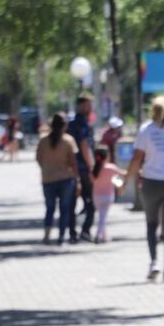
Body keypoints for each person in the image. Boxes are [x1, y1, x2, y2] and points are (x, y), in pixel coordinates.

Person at [123, 96, 164, 282]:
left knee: (151, 224)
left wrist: (125, 182)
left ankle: (154, 263)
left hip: (151, 181)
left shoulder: (146, 130)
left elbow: (136, 159)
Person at [35, 113, 80, 246]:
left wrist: (47, 168)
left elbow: (38, 158)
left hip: (48, 179)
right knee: (64, 209)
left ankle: (47, 235)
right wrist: (78, 180)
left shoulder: (43, 141)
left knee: (50, 208)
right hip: (66, 179)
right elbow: (73, 162)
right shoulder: (68, 140)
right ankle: (61, 237)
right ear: (65, 125)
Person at [67, 94, 96, 243]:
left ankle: (72, 233)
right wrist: (92, 166)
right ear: (82, 106)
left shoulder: (70, 125)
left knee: (72, 202)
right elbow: (85, 145)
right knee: (91, 202)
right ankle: (85, 230)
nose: (91, 109)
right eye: (89, 105)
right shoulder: (83, 124)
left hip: (70, 169)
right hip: (83, 169)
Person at [91, 146, 126, 244]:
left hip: (96, 196)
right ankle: (98, 236)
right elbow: (123, 174)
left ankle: (105, 236)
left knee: (102, 216)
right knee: (103, 217)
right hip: (107, 196)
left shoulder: (94, 169)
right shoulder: (111, 168)